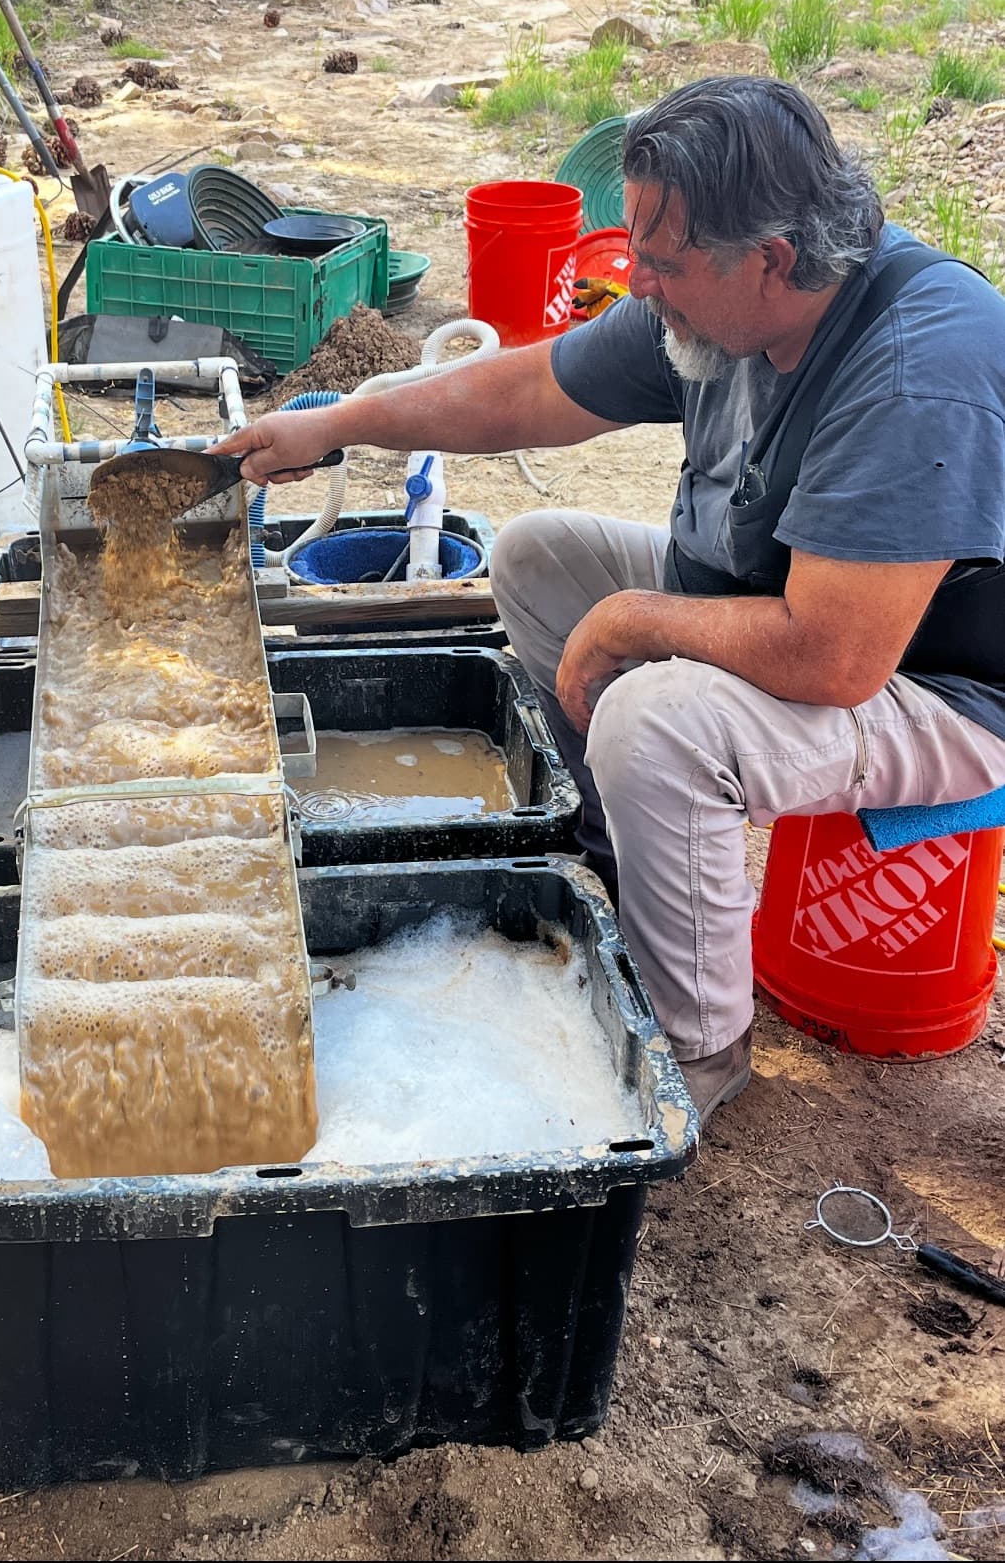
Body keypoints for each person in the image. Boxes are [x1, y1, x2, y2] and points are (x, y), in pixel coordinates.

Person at [213, 77, 1005, 1121]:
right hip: (777, 604)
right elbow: (532, 387)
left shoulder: (914, 364)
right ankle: (617, 874)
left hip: (932, 686)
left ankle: (695, 1051)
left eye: (662, 264)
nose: (639, 283)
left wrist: (635, 621)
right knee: (538, 557)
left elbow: (834, 658)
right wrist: (339, 424)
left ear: (772, 258)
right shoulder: (722, 304)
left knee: (652, 717)